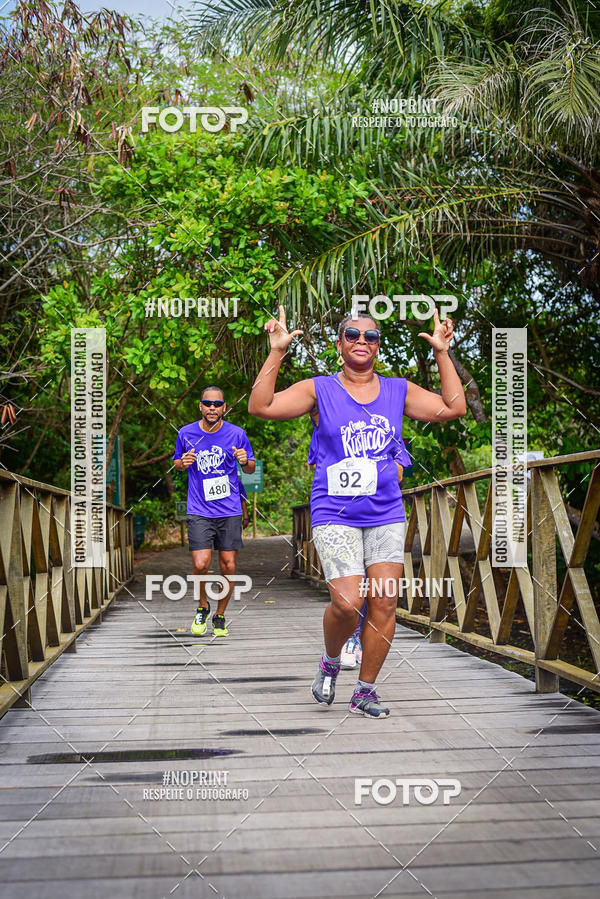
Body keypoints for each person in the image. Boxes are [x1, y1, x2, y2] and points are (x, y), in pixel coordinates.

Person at [249, 306, 465, 717]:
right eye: (352, 335)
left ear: (378, 346)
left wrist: (442, 352)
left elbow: (453, 408)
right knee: (348, 602)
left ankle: (365, 690)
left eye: (371, 337)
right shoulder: (319, 389)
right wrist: (276, 352)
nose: (362, 342)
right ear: (339, 344)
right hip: (334, 511)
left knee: (383, 603)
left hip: (385, 511)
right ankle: (331, 660)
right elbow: (261, 407)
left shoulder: (397, 389)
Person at [173, 386, 255, 636]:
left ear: (224, 407)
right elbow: (177, 462)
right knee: (201, 563)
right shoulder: (186, 432)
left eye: (217, 404)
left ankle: (220, 614)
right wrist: (182, 462)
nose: (212, 408)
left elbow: (250, 468)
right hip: (199, 508)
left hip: (229, 509)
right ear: (200, 406)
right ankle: (202, 606)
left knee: (228, 565)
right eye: (207, 403)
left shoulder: (237, 434)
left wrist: (244, 460)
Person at [339, 443, 411, 669]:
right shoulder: (333, 425)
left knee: (378, 589)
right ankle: (344, 640)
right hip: (343, 516)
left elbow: (398, 475)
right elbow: (318, 467)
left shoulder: (390, 431)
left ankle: (357, 639)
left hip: (382, 516)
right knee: (351, 592)